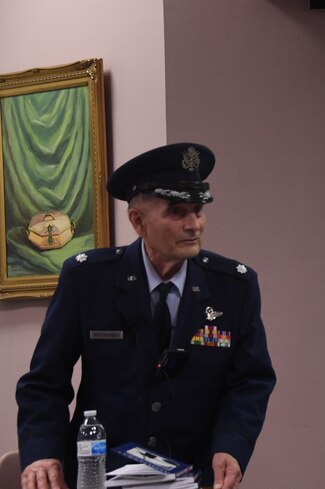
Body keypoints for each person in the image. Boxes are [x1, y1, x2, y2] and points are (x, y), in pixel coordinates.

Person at [16, 143, 276, 489]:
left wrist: (232, 444)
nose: (194, 225)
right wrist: (42, 452)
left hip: (193, 474)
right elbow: (45, 383)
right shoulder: (88, 280)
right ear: (138, 221)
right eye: (177, 212)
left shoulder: (233, 286)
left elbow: (251, 381)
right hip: (101, 473)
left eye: (198, 211)